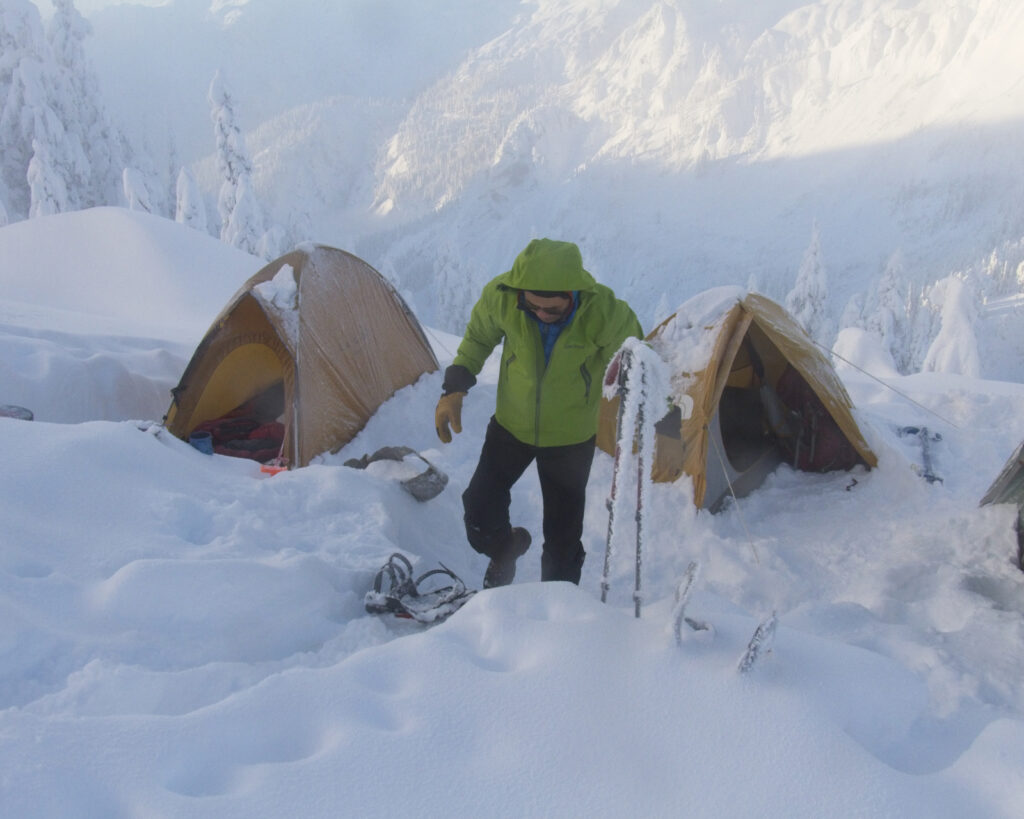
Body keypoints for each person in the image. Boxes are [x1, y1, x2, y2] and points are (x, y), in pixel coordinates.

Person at [434, 238, 643, 588]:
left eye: (553, 310)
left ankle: (554, 612)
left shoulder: (605, 313)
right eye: (533, 308)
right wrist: (454, 387)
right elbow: (478, 339)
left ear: (573, 293)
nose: (542, 315)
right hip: (510, 427)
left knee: (562, 541)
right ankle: (505, 549)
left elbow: (638, 365)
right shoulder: (502, 298)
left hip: (570, 439)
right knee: (479, 511)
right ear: (520, 293)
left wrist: (662, 418)